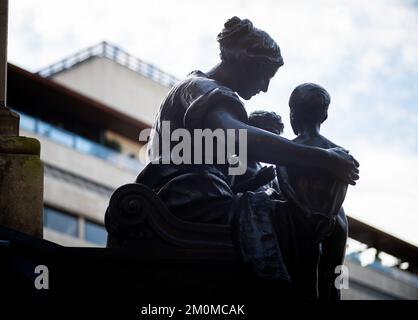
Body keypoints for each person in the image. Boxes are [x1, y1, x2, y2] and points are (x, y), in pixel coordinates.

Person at [136, 17, 359, 299]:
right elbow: (240, 138)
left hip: (195, 193)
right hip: (187, 198)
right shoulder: (204, 89)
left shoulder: (201, 88)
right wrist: (323, 158)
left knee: (299, 217)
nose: (265, 88)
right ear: (246, 62)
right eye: (265, 76)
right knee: (297, 220)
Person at [275, 83, 350, 299]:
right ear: (324, 115)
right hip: (335, 220)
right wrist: (329, 215)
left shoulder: (287, 149)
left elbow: (286, 186)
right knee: (332, 279)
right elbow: (341, 186)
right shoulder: (338, 151)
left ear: (293, 113)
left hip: (299, 221)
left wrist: (307, 214)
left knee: (302, 277)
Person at [231, 110, 284, 194]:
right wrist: (256, 181)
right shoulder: (233, 161)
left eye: (275, 138)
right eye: (268, 135)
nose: (273, 143)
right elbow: (222, 196)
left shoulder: (264, 170)